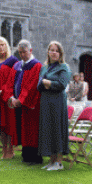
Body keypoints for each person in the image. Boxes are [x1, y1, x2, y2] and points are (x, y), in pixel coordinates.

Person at [7, 39, 43, 164]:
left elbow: (31, 86)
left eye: (24, 52)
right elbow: (10, 83)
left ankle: (35, 157)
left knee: (32, 131)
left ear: (30, 51)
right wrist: (11, 97)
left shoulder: (36, 65)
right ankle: (26, 155)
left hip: (31, 104)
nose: (22, 55)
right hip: (18, 103)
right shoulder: (17, 65)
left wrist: (21, 100)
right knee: (23, 130)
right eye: (20, 52)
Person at [37, 41, 71, 171]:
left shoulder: (64, 67)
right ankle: (51, 161)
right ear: (48, 52)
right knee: (49, 130)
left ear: (60, 53)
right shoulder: (44, 67)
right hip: (46, 101)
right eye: (51, 50)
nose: (54, 52)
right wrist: (47, 83)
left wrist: (47, 82)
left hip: (57, 102)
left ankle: (59, 162)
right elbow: (39, 85)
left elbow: (62, 84)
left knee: (57, 129)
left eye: (56, 50)